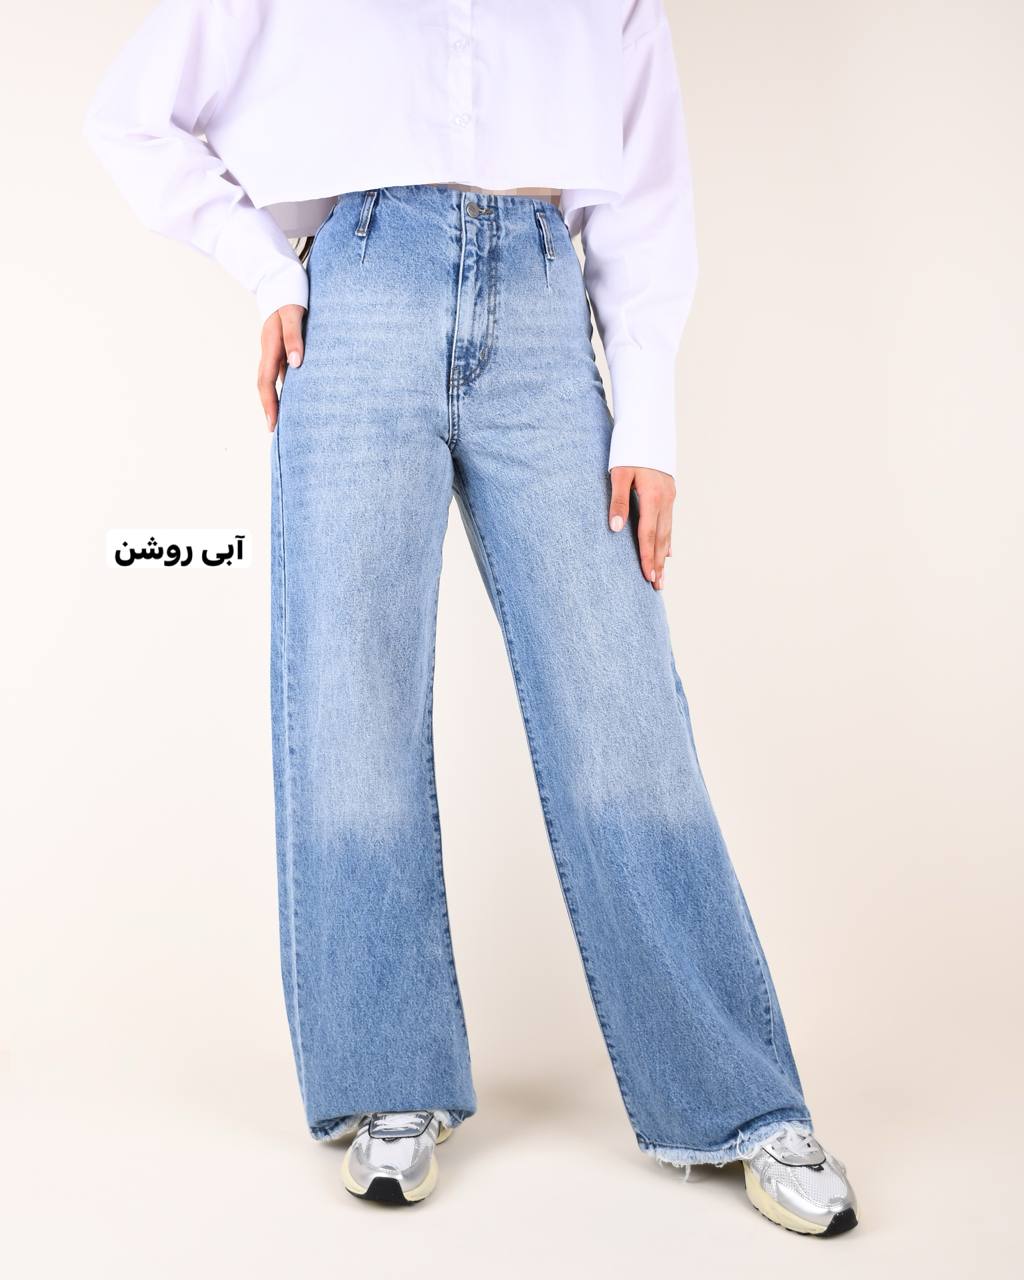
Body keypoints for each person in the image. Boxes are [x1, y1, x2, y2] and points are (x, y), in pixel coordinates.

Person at [83, 0, 858, 1236]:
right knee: (351, 700)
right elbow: (131, 115)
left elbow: (644, 184)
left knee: (621, 708)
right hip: (356, 298)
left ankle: (738, 1097)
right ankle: (385, 1079)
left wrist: (647, 414)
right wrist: (267, 270)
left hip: (546, 302)